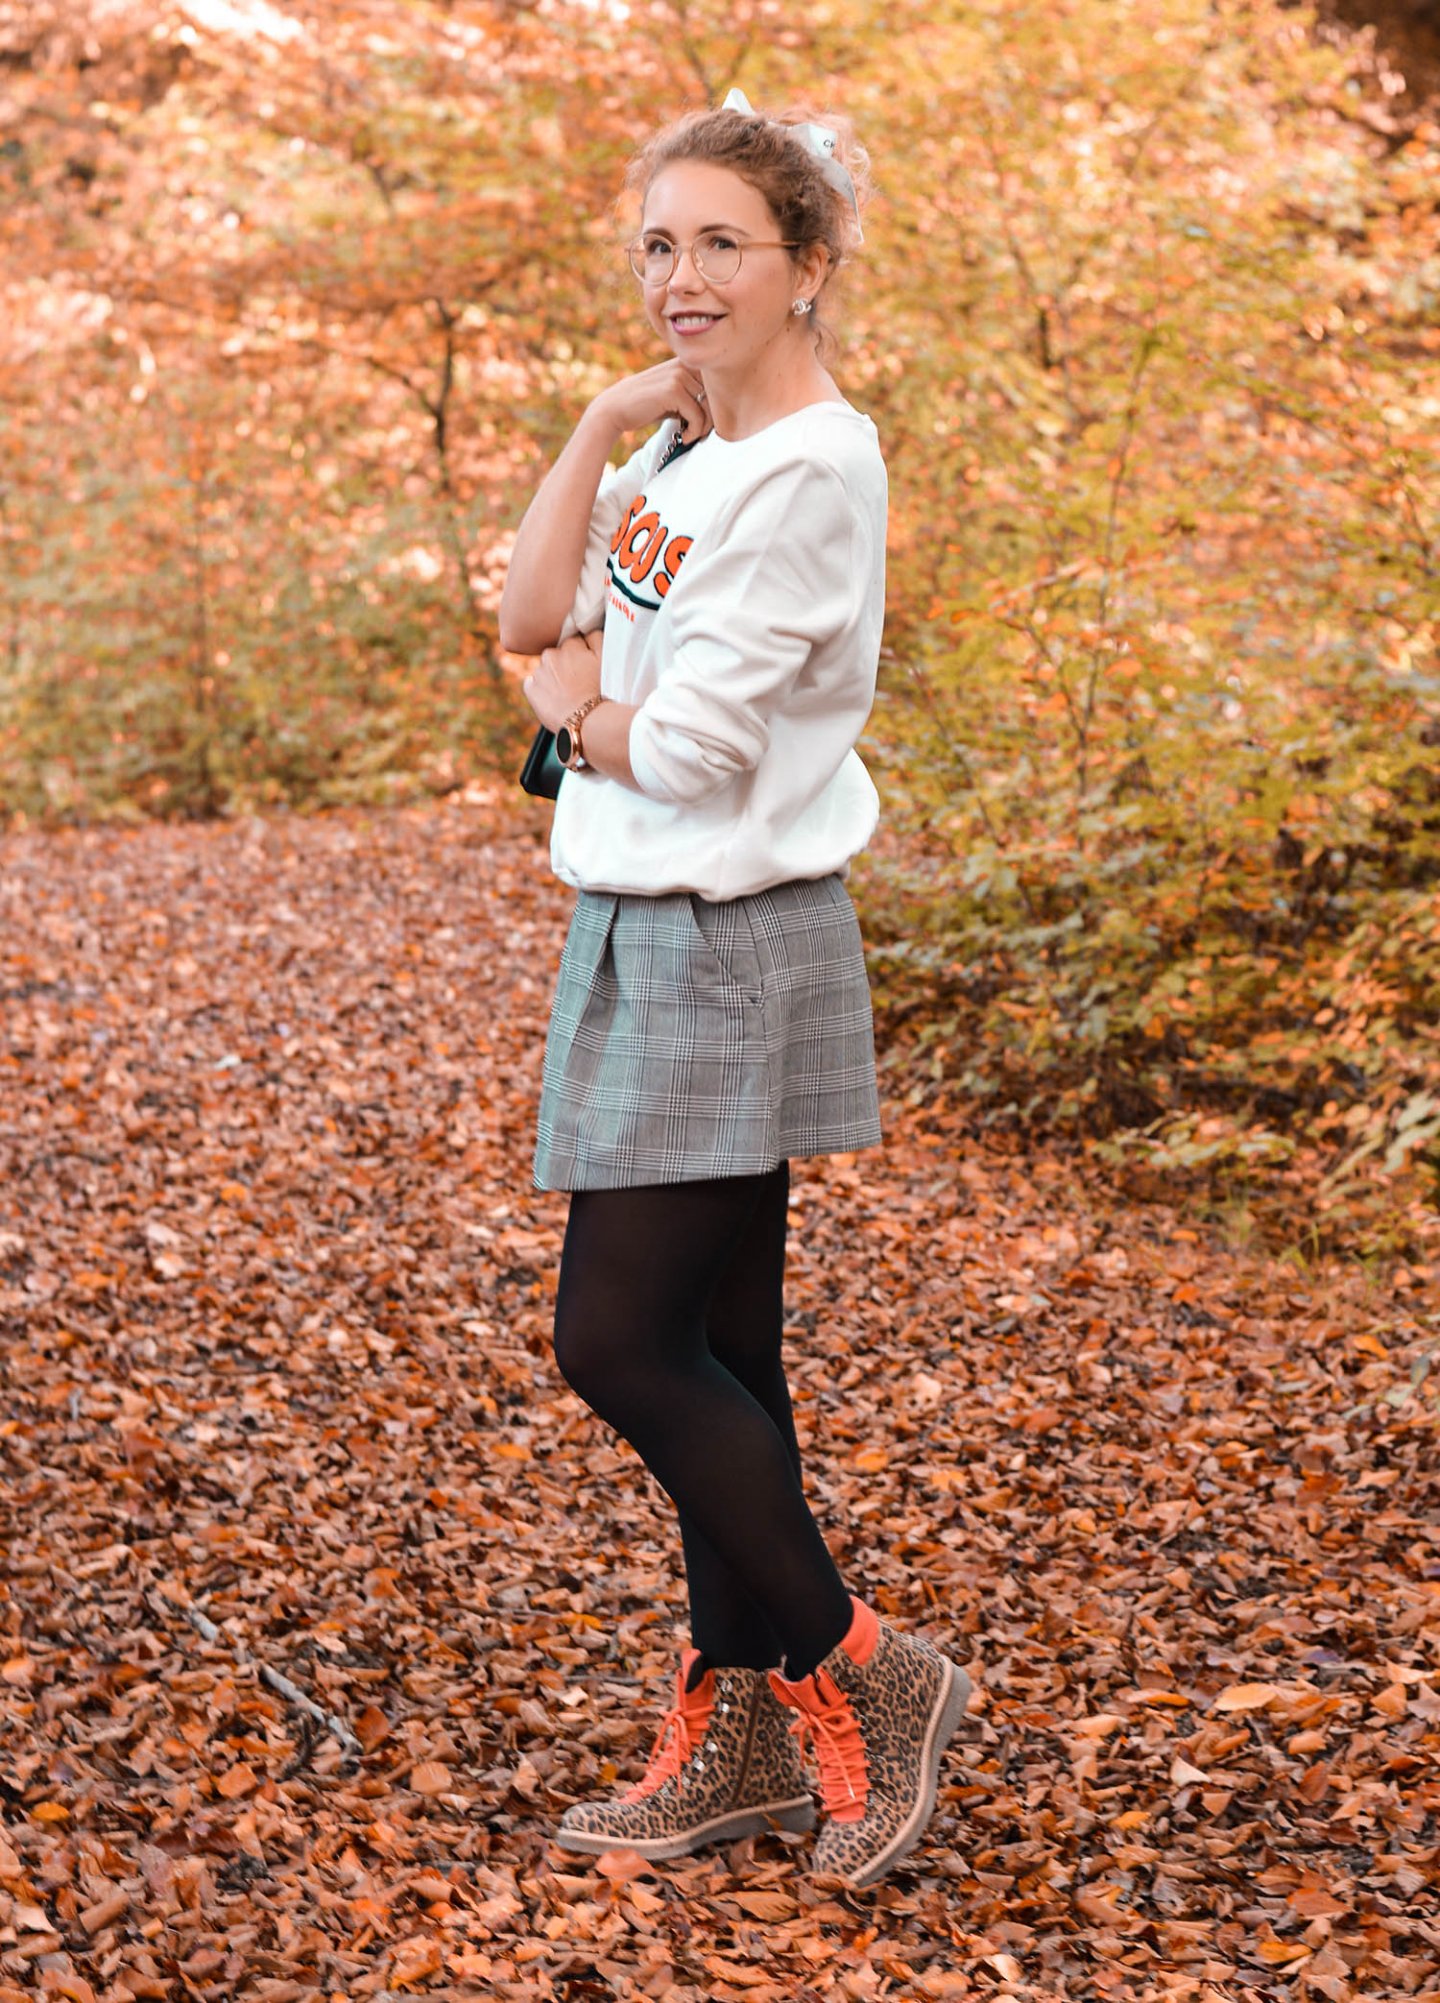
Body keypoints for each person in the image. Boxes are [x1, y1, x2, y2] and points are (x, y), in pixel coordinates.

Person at [499, 88, 971, 1890]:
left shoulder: (809, 472)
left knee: (614, 1342)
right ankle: (743, 1737)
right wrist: (604, 426)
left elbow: (671, 746)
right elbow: (533, 606)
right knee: (723, 1356)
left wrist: (569, 708)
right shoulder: (687, 456)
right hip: (648, 927)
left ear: (809, 269)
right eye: (658, 244)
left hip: (727, 934)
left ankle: (864, 1664)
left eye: (721, 246)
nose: (679, 279)